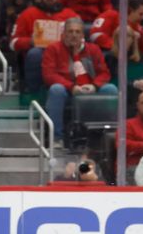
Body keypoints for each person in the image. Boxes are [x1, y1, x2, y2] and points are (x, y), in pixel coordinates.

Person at [42, 18, 116, 146]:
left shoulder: (93, 49)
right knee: (56, 89)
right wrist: (71, 87)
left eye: (77, 32)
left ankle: (108, 136)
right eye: (70, 31)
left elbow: (104, 73)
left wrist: (94, 85)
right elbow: (49, 74)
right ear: (64, 33)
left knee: (110, 89)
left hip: (90, 89)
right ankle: (56, 138)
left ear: (82, 35)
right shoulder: (53, 49)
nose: (74, 35)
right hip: (67, 92)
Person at [10, 0, 79, 95]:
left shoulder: (70, 15)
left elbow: (82, 39)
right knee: (35, 53)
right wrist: (31, 41)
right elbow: (13, 43)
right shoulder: (27, 14)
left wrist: (71, 41)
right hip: (40, 53)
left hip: (65, 54)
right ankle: (34, 93)